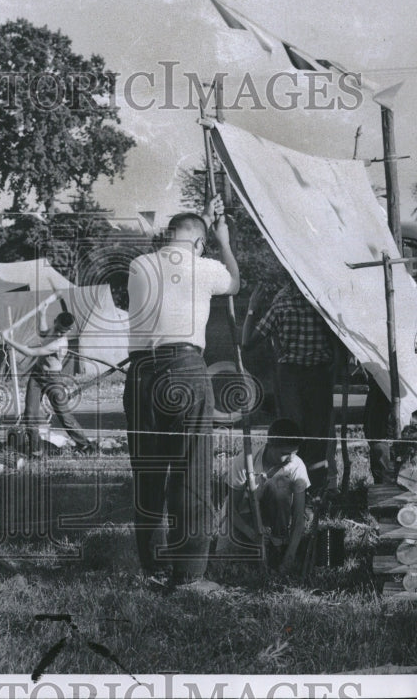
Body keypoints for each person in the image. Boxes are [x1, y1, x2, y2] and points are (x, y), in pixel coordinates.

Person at [124, 195, 240, 593]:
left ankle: (152, 569)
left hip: (140, 372)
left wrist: (202, 226)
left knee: (149, 473)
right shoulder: (206, 266)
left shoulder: (139, 265)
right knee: (192, 471)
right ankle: (189, 574)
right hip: (184, 367)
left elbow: (176, 250)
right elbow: (234, 283)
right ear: (201, 243)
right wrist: (222, 239)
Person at [242, 274, 341, 491]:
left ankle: (294, 486)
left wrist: (251, 308)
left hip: (290, 377)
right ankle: (317, 489)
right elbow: (336, 337)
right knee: (318, 433)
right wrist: (334, 362)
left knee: (292, 432)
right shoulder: (320, 301)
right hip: (318, 376)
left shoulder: (281, 304)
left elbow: (247, 342)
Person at [2, 309, 96, 455]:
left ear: (69, 330)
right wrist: (43, 313)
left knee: (64, 415)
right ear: (55, 323)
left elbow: (30, 352)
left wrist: (8, 339)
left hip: (53, 378)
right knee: (30, 414)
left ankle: (85, 446)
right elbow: (42, 333)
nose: (58, 333)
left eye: (63, 332)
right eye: (58, 329)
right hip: (37, 375)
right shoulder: (54, 329)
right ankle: (36, 450)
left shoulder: (60, 342)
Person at [221, 418, 308, 573]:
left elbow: (298, 517)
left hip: (277, 518)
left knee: (279, 486)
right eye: (285, 453)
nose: (291, 458)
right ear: (270, 444)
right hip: (246, 518)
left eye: (295, 452)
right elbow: (231, 510)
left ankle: (279, 543)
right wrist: (253, 534)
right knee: (227, 556)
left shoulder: (296, 465)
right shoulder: (246, 460)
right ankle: (261, 548)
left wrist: (289, 557)